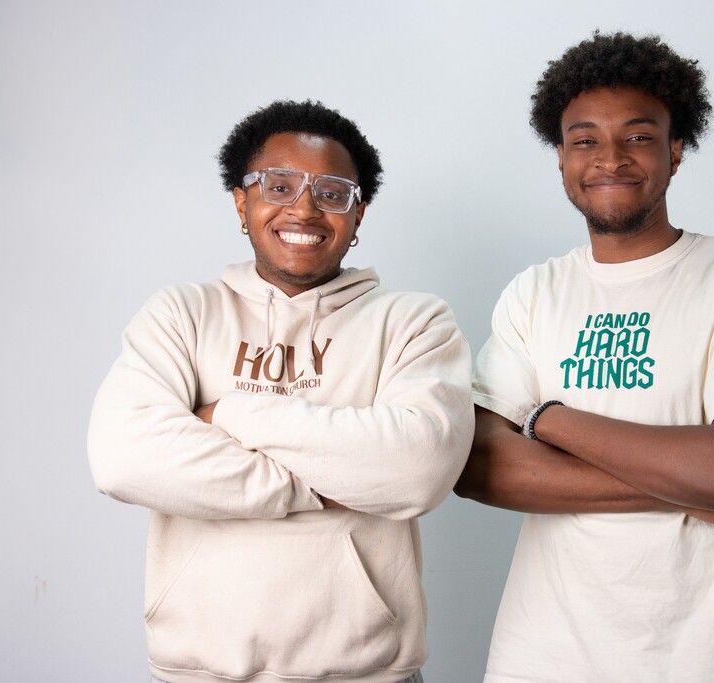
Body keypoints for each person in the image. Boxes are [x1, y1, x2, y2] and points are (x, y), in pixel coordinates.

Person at [454, 32, 714, 682]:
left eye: (639, 136)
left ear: (677, 150)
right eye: (585, 139)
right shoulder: (533, 293)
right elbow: (476, 466)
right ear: (560, 158)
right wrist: (687, 482)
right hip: (545, 658)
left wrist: (547, 417)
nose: (610, 157)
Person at [88, 100, 474, 683]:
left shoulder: (415, 322)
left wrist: (229, 413)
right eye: (280, 184)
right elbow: (123, 457)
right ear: (242, 202)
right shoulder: (181, 315)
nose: (305, 208)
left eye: (333, 191)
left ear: (359, 212)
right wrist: (334, 478)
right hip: (199, 671)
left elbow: (417, 469)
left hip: (368, 672)